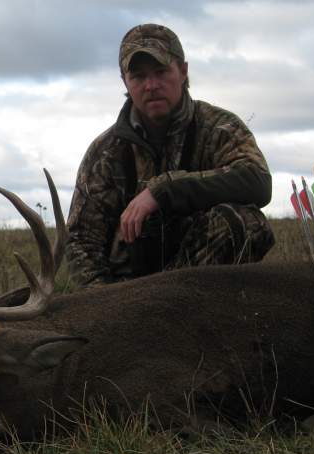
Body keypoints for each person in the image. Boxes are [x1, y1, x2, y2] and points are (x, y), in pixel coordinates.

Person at [66, 23, 275, 287]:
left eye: (161, 71)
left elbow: (257, 180)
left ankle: (176, 305)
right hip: (127, 293)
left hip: (196, 284)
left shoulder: (220, 127)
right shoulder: (106, 152)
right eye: (139, 77)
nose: (151, 85)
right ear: (124, 81)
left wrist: (165, 190)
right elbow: (81, 241)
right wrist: (102, 302)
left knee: (246, 222)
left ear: (183, 71)